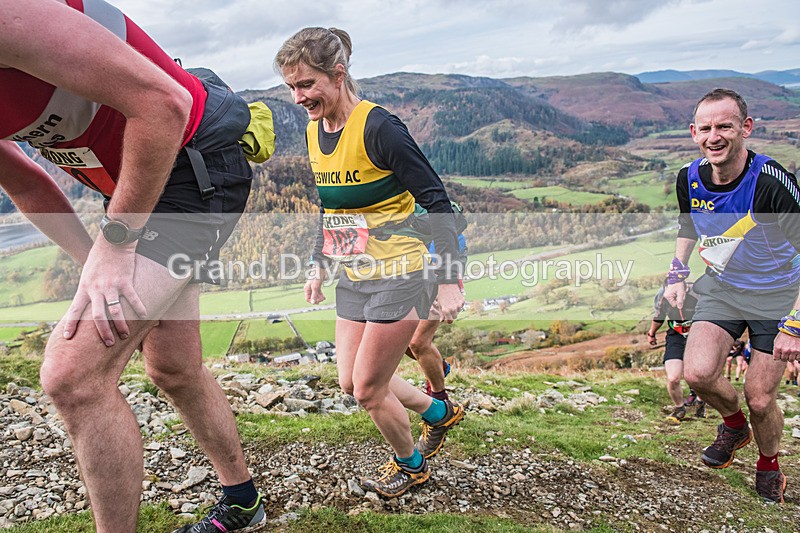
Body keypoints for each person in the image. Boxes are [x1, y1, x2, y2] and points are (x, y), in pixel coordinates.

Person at [0, 2, 266, 531]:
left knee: (72, 375)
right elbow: (28, 184)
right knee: (172, 365)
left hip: (194, 166)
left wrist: (117, 245)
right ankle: (244, 502)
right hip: (140, 189)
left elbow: (163, 103)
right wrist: (94, 263)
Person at [274, 27, 466, 498]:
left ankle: (412, 466)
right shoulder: (314, 131)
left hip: (403, 270)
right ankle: (440, 413)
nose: (298, 97)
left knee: (367, 390)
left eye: (306, 85)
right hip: (354, 272)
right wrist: (319, 264)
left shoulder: (380, 128)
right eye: (291, 87)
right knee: (349, 380)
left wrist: (448, 281)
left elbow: (437, 202)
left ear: (338, 75)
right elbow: (332, 207)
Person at [663, 88, 800, 504]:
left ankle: (769, 464)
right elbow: (689, 226)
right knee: (698, 374)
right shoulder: (688, 177)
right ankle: (734, 426)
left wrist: (794, 326)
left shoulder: (771, 183)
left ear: (746, 128)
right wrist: (677, 273)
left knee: (761, 399)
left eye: (725, 125)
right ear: (693, 132)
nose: (714, 135)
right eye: (705, 127)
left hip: (780, 297)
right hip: (724, 288)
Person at [406, 233, 468, 401]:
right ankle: (438, 366)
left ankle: (440, 400)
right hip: (411, 269)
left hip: (440, 265)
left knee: (417, 342)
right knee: (399, 338)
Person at [647, 279, 706, 423]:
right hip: (676, 335)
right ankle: (679, 408)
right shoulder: (662, 295)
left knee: (700, 375)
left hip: (699, 335)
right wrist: (651, 334)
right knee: (673, 378)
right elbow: (658, 316)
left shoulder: (698, 293)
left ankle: (700, 401)